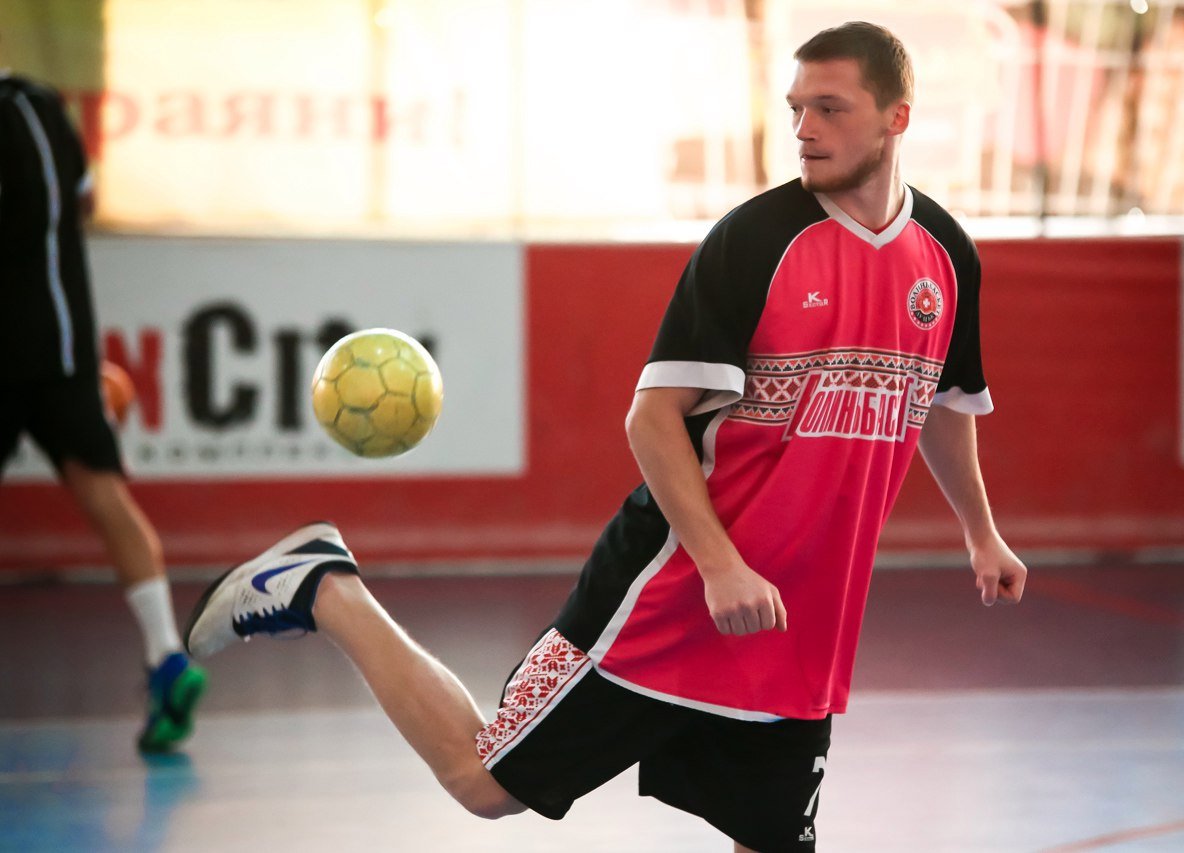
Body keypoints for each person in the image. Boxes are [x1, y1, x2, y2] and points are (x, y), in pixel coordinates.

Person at [184, 21, 1027, 851]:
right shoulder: (756, 241)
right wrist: (720, 564)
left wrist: (980, 530)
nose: (805, 129)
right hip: (672, 590)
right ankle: (325, 587)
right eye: (796, 108)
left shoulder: (946, 256)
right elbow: (651, 419)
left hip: (799, 619)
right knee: (487, 781)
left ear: (896, 118)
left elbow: (945, 401)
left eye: (831, 109)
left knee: (770, 840)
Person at [0, 69, 207, 753]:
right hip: (65, 345)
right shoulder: (43, 103)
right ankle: (167, 655)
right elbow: (83, 200)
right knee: (107, 498)